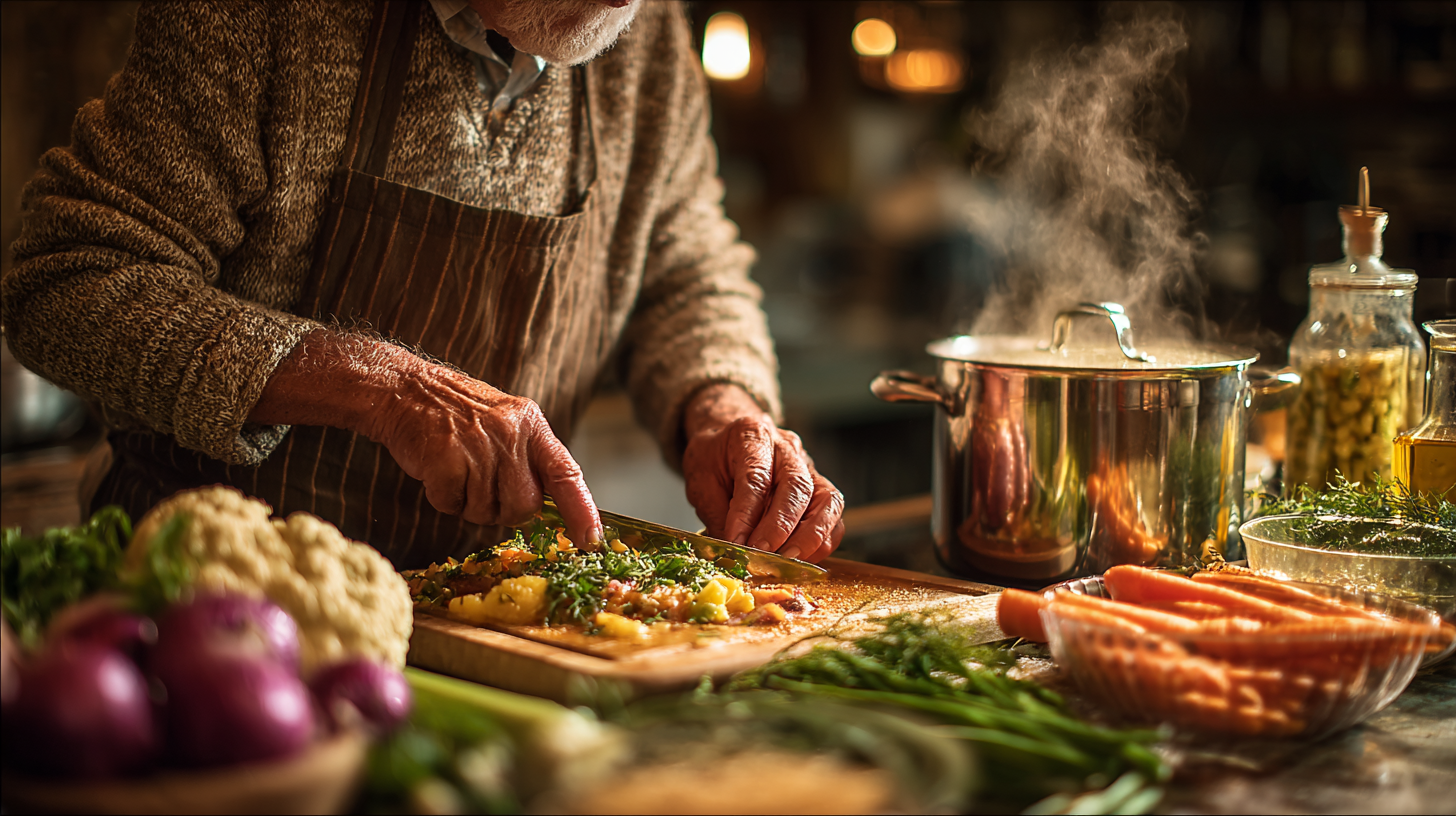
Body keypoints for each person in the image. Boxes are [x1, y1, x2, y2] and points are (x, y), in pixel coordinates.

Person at [1, 0, 844, 568]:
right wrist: (381, 387)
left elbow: (684, 266)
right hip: (223, 609)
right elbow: (69, 277)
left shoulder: (649, 34)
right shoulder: (265, 19)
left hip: (498, 611)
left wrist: (722, 404)